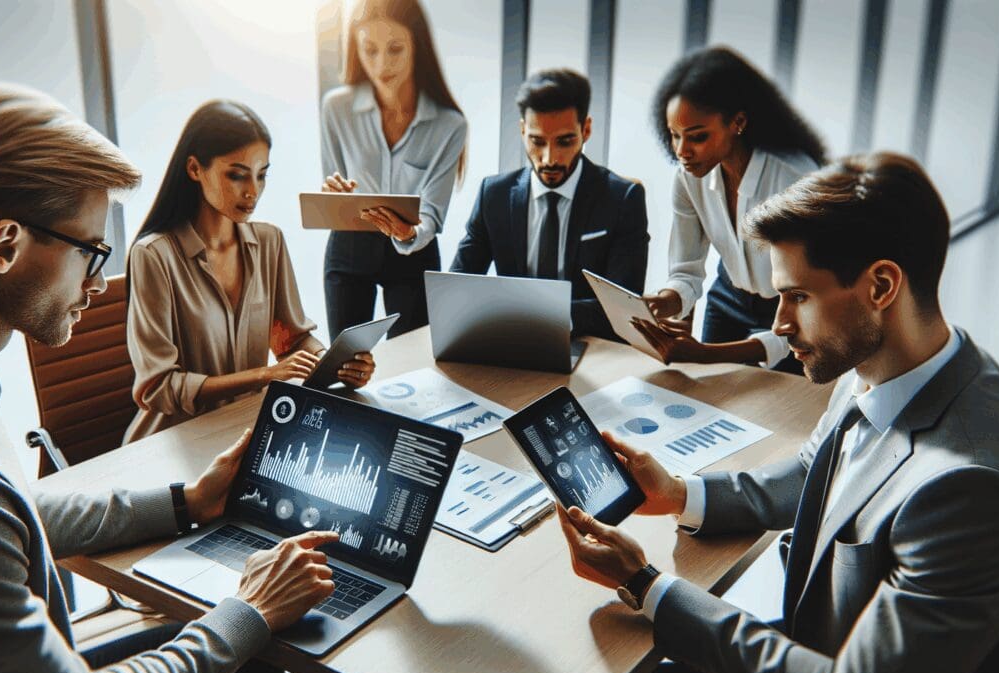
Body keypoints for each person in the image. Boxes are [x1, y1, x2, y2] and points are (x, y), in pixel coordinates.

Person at [0, 83, 395, 673]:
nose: (97, 284)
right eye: (91, 251)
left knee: (248, 652)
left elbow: (4, 515)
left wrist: (187, 500)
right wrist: (250, 605)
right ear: (5, 245)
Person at [556, 153, 999, 673]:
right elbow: (815, 470)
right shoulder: (890, 367)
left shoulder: (971, 494)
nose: (778, 324)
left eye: (797, 296)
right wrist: (679, 494)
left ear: (880, 285)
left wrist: (644, 583)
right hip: (821, 662)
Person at [125, 101, 374, 444]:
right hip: (172, 443)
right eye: (237, 174)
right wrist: (265, 376)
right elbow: (158, 387)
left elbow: (291, 341)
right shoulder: (153, 256)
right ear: (195, 169)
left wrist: (333, 363)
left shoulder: (269, 242)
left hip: (245, 430)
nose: (253, 191)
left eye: (262, 174)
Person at [635, 46, 827, 374]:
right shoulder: (688, 177)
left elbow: (810, 306)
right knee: (711, 401)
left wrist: (705, 354)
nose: (682, 151)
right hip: (728, 300)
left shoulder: (796, 180)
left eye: (697, 137)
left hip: (789, 312)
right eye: (674, 135)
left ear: (738, 122)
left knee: (782, 413)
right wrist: (664, 301)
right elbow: (686, 271)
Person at [449, 68, 649, 340]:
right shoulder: (492, 195)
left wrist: (535, 316)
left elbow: (625, 306)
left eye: (564, 142)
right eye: (537, 141)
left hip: (588, 346)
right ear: (522, 131)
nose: (549, 158)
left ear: (586, 129)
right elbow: (458, 288)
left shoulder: (623, 199)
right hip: (508, 342)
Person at [319, 0, 468, 340]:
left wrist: (407, 233)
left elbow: (432, 212)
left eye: (395, 49)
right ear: (356, 49)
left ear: (418, 46)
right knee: (346, 365)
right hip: (350, 244)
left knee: (411, 365)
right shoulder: (336, 109)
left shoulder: (449, 124)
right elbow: (333, 180)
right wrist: (332, 196)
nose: (381, 64)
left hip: (413, 250)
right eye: (369, 50)